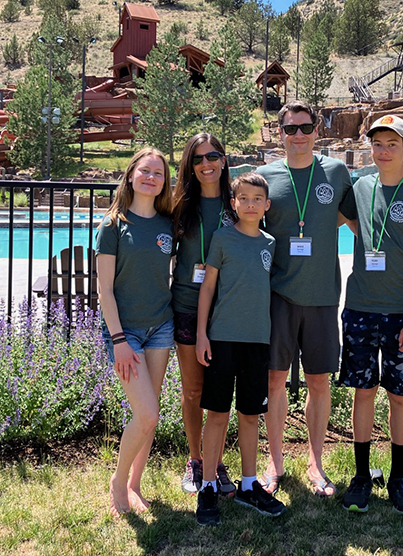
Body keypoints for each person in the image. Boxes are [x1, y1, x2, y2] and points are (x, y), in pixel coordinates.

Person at [339, 114, 403, 514]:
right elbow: (348, 221)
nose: (383, 151)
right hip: (361, 307)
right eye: (377, 144)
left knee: (400, 397)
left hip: (402, 313)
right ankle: (362, 477)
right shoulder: (361, 187)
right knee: (362, 393)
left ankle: (397, 479)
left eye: (392, 145)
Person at [256, 100, 353, 497]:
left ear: (318, 130)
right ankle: (275, 463)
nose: (298, 135)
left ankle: (315, 463)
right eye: (290, 128)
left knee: (318, 381)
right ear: (279, 133)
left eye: (305, 127)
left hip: (322, 296)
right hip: (277, 295)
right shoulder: (264, 177)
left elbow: (360, 221)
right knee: (274, 380)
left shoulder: (336, 172)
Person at [194, 173, 284, 526]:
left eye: (256, 198)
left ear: (266, 205)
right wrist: (202, 334)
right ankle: (208, 487)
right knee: (217, 413)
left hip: (257, 341)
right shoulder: (221, 239)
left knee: (250, 414)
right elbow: (207, 289)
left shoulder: (269, 243)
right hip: (222, 340)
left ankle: (249, 484)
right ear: (233, 203)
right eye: (242, 198)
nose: (249, 204)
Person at [97, 147, 175, 516]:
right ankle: (118, 480)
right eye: (145, 170)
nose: (151, 177)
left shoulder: (167, 223)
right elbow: (104, 290)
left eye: (158, 173)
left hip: (161, 327)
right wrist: (118, 341)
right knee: (146, 414)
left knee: (152, 412)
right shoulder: (112, 225)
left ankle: (135, 486)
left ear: (164, 182)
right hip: (125, 333)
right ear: (130, 175)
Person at [171, 134, 236, 497]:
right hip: (186, 306)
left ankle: (216, 461)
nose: (206, 163)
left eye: (213, 156)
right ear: (190, 166)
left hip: (226, 310)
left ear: (224, 161)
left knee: (219, 392)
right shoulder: (180, 205)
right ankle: (195, 460)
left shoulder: (236, 203)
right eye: (198, 159)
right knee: (194, 389)